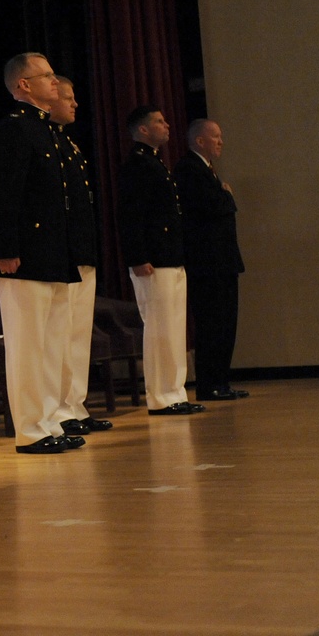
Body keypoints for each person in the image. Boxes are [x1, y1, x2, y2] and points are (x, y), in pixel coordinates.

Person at [0, 53, 84, 455]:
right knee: (28, 344)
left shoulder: (50, 132)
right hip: (24, 255)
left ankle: (49, 421)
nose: (55, 83)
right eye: (46, 77)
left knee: (52, 344)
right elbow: (3, 193)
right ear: (24, 85)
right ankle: (31, 429)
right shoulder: (15, 130)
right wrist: (5, 248)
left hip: (53, 253)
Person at [117, 106, 205, 416]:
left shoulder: (154, 162)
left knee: (174, 327)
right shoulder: (138, 165)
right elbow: (131, 216)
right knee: (159, 329)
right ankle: (161, 396)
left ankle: (176, 391)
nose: (166, 125)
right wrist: (139, 257)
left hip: (170, 256)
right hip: (153, 259)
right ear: (142, 130)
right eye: (159, 121)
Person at [49, 77, 113, 435]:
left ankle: (75, 402)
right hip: (65, 250)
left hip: (81, 248)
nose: (75, 104)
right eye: (68, 97)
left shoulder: (67, 143)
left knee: (77, 333)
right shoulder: (49, 142)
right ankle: (60, 408)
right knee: (62, 333)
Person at [174, 119, 247, 401]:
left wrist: (223, 197)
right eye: (215, 136)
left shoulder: (208, 170)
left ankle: (221, 381)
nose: (221, 141)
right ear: (199, 141)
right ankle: (209, 384)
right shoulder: (189, 169)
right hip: (207, 263)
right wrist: (227, 196)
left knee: (227, 323)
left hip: (223, 260)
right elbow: (212, 206)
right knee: (212, 324)